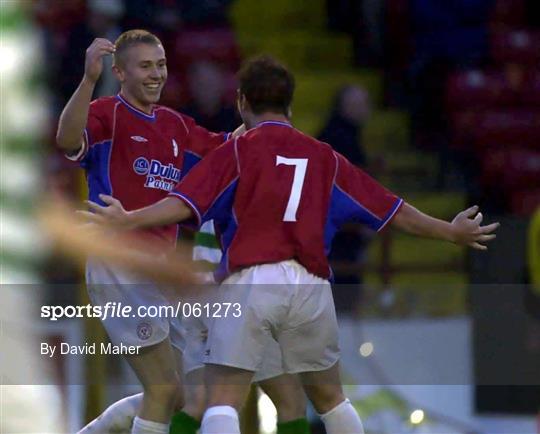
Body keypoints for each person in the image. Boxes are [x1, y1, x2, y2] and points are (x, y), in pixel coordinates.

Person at [82, 55, 499, 434]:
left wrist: (129, 218)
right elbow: (393, 209)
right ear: (291, 107)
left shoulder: (239, 150)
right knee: (331, 400)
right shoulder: (325, 156)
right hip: (311, 286)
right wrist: (450, 231)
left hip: (252, 281)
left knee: (221, 400)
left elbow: (182, 203)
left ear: (242, 103)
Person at [56, 29, 237, 434]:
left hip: (159, 273)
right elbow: (67, 139)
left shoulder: (176, 125)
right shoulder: (107, 114)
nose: (156, 75)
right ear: (119, 72)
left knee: (180, 395)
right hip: (120, 265)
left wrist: (267, 123)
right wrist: (87, 80)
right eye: (145, 66)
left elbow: (229, 149)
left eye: (161, 65)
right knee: (162, 389)